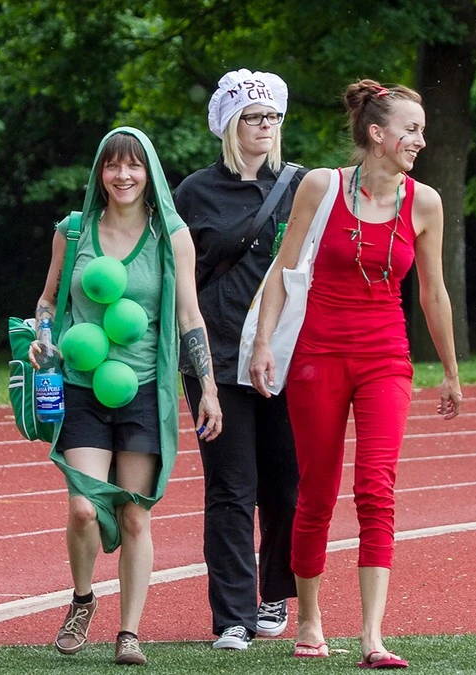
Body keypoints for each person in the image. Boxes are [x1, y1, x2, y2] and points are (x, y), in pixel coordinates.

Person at [248, 79, 463, 668]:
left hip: (386, 357)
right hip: (318, 353)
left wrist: (449, 370)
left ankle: (372, 636)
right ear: (377, 133)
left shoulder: (426, 202)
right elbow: (282, 269)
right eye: (411, 129)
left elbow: (434, 293)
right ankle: (310, 622)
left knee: (375, 488)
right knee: (314, 493)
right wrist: (263, 345)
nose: (420, 140)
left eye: (421, 130)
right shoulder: (320, 186)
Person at [28, 127, 224, 666]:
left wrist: (206, 386)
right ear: (100, 173)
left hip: (143, 392)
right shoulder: (73, 233)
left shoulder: (172, 237)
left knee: (136, 515)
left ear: (150, 173)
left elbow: (189, 315)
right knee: (83, 507)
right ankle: (83, 599)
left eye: (133, 166)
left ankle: (129, 632)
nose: (123, 176)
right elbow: (46, 303)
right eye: (112, 166)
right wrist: (42, 341)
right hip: (81, 386)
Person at [172, 68, 306, 650]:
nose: (266, 127)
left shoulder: (304, 186)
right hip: (215, 361)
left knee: (286, 487)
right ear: (229, 124)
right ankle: (232, 615)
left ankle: (275, 591)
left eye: (273, 117)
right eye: (253, 117)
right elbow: (175, 278)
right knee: (231, 488)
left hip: (287, 358)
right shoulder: (193, 193)